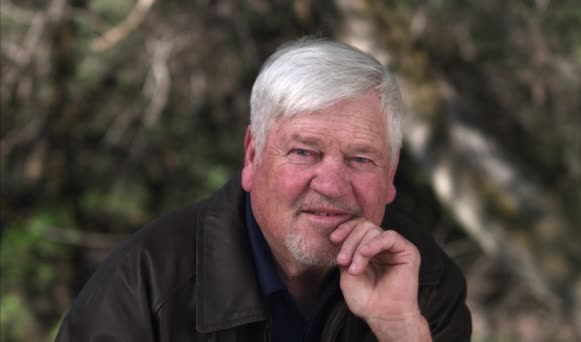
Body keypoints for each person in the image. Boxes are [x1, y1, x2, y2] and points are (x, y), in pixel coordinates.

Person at [55, 39, 471, 342]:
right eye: (305, 152)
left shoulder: (422, 281)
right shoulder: (147, 284)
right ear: (253, 156)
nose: (331, 185)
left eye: (361, 159)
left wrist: (399, 329)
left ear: (391, 174)